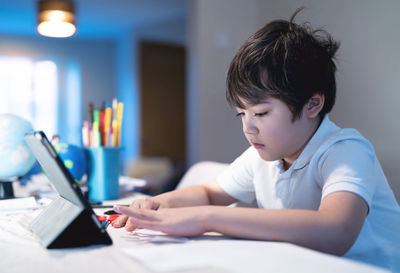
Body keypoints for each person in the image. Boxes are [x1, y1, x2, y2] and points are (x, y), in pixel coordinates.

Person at [112, 8, 400, 271]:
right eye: (242, 114)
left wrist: (206, 218)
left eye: (261, 112)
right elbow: (210, 194)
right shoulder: (264, 156)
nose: (249, 128)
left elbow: (336, 231)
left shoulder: (346, 150)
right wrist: (157, 204)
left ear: (312, 104)